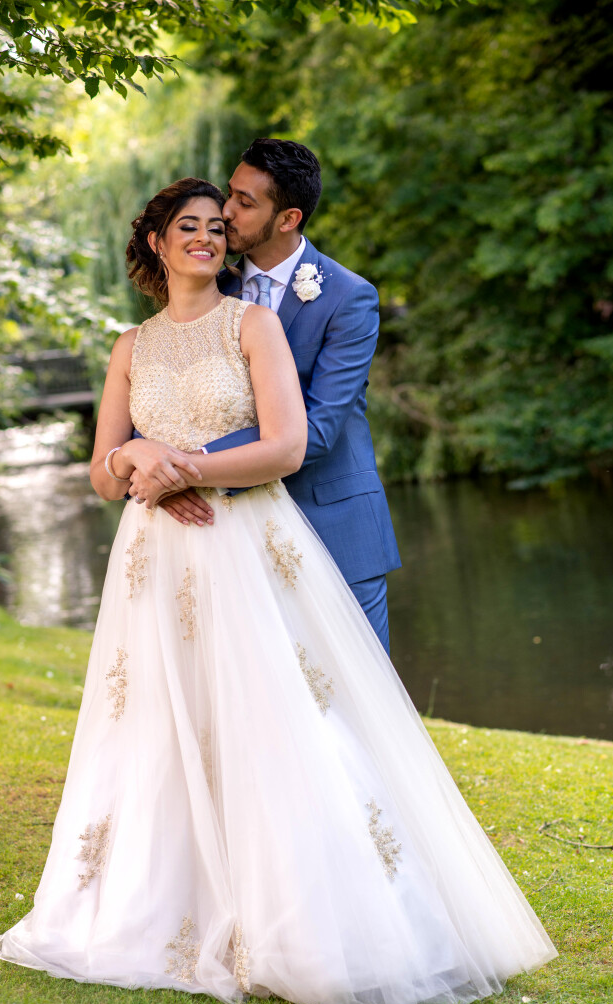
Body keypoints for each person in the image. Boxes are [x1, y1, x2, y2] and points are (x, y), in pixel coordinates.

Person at [0, 177, 557, 1004]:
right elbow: (100, 470)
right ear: (155, 241)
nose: (207, 239)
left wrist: (182, 465)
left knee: (277, 719)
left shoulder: (252, 326)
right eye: (188, 227)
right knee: (157, 725)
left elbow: (288, 446)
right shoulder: (128, 347)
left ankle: (303, 921)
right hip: (154, 562)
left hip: (245, 544)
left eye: (218, 228)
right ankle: (166, 904)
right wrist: (131, 462)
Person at [156, 139, 399, 655]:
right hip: (236, 537)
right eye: (230, 193)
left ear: (288, 218)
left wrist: (187, 466)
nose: (225, 211)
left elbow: (316, 431)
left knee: (360, 706)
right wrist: (146, 455)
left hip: (334, 528)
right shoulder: (209, 284)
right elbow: (166, 385)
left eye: (245, 202)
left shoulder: (348, 298)